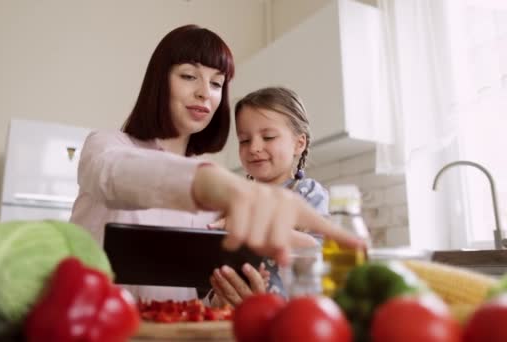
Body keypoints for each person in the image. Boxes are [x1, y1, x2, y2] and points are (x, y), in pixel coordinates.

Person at [70, 25, 362, 302]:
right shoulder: (107, 146)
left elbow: (192, 295)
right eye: (188, 76)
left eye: (216, 83)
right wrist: (219, 186)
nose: (204, 92)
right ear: (159, 80)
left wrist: (224, 298)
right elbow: (114, 175)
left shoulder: (216, 202)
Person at [208, 87, 329, 306]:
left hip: (293, 317)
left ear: (298, 143)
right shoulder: (234, 199)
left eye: (268, 137)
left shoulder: (307, 192)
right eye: (244, 140)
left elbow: (314, 248)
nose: (254, 147)